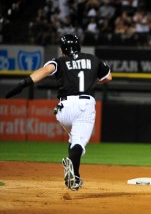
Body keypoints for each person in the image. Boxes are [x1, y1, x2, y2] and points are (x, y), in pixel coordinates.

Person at [5, 34, 112, 191]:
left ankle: (75, 177)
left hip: (63, 109)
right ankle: (71, 164)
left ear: (63, 49)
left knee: (73, 138)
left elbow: (44, 70)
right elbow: (108, 77)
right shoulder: (93, 59)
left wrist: (23, 83)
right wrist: (94, 81)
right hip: (84, 105)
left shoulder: (60, 61)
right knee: (78, 144)